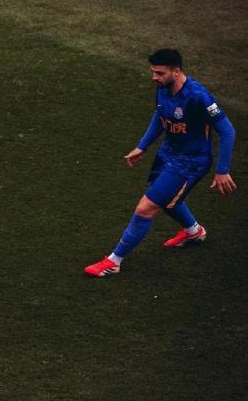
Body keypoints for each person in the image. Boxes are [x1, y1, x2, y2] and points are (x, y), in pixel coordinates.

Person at [85, 49, 236, 277]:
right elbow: (160, 115)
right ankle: (194, 231)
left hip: (190, 163)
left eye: (159, 73)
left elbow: (227, 130)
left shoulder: (198, 97)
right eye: (153, 72)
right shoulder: (163, 89)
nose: (154, 77)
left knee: (146, 208)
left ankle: (114, 262)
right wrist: (142, 146)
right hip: (168, 155)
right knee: (168, 200)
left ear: (176, 71)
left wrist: (222, 170)